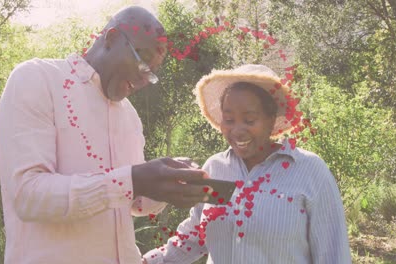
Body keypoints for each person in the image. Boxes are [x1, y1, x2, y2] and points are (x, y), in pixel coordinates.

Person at [0, 6, 210, 264]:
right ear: (111, 39)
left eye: (151, 74)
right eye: (142, 63)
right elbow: (28, 196)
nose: (143, 80)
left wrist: (167, 185)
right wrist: (132, 180)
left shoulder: (129, 115)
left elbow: (132, 202)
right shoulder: (37, 79)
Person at [143, 64, 352, 263]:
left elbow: (333, 254)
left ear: (271, 120)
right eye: (229, 119)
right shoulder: (216, 169)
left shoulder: (309, 171)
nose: (238, 130)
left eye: (250, 120)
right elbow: (194, 237)